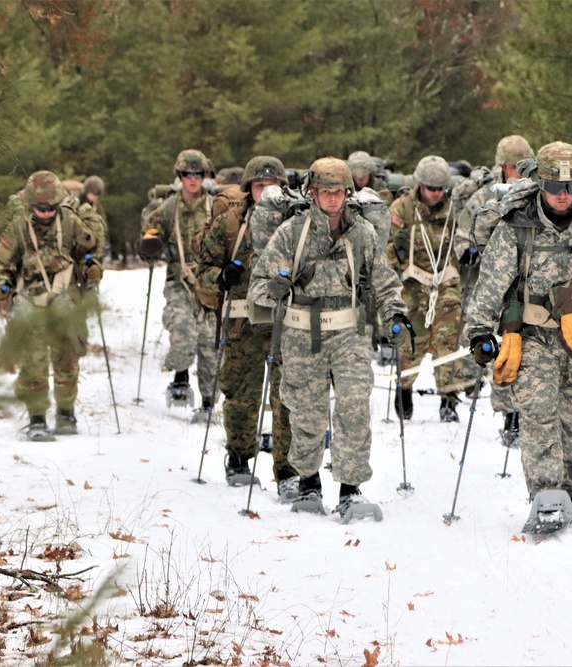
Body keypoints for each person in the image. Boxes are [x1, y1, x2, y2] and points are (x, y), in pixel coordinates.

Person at [463, 141, 572, 525]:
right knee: (539, 413)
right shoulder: (517, 226)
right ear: (540, 185)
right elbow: (491, 284)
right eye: (554, 188)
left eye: (570, 188)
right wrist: (479, 332)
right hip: (531, 336)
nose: (562, 197)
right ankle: (546, 493)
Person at [249, 157, 408, 517]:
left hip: (349, 331)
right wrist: (274, 287)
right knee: (306, 412)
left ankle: (351, 488)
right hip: (302, 333)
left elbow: (384, 282)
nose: (332, 199)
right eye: (325, 192)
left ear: (347, 193)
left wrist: (395, 315)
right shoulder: (292, 232)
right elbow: (258, 287)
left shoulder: (362, 233)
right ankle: (308, 483)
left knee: (353, 406)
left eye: (338, 192)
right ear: (313, 193)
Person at [195, 156, 297, 495]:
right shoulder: (230, 223)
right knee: (241, 395)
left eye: (272, 185)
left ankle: (289, 470)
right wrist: (222, 276)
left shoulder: (298, 221)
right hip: (242, 322)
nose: (266, 191)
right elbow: (204, 271)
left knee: (289, 398)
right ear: (248, 189)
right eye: (259, 186)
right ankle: (238, 457)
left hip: (287, 323)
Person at [0, 171, 104, 441]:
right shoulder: (18, 226)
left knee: (67, 355)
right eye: (40, 209)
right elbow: (4, 264)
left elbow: (88, 251)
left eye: (50, 208)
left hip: (65, 294)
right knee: (34, 357)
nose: (45, 213)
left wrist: (92, 267)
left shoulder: (71, 222)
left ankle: (66, 412)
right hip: (30, 295)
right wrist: (1, 284)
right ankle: (37, 417)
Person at [457, 135, 535, 445]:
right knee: (504, 347)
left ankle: (530, 410)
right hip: (497, 282)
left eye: (519, 167)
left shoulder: (536, 193)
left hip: (532, 281)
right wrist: (469, 250)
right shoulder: (486, 196)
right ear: (500, 167)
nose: (514, 173)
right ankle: (508, 414)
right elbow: (466, 229)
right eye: (509, 167)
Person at [137, 149, 219, 417]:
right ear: (180, 176)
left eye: (198, 174)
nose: (193, 180)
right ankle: (180, 376)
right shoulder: (169, 207)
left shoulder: (216, 205)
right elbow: (150, 231)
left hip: (210, 283)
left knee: (210, 344)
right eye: (187, 174)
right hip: (179, 282)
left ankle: (208, 402)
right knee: (183, 331)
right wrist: (149, 244)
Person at [387, 155, 467, 422]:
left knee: (449, 339)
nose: (435, 194)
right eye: (430, 188)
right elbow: (385, 247)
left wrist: (468, 251)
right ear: (420, 185)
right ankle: (405, 387)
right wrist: (396, 251)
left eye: (440, 188)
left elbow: (466, 234)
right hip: (413, 282)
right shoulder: (403, 208)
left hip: (446, 281)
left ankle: (449, 399)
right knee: (413, 340)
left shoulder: (455, 208)